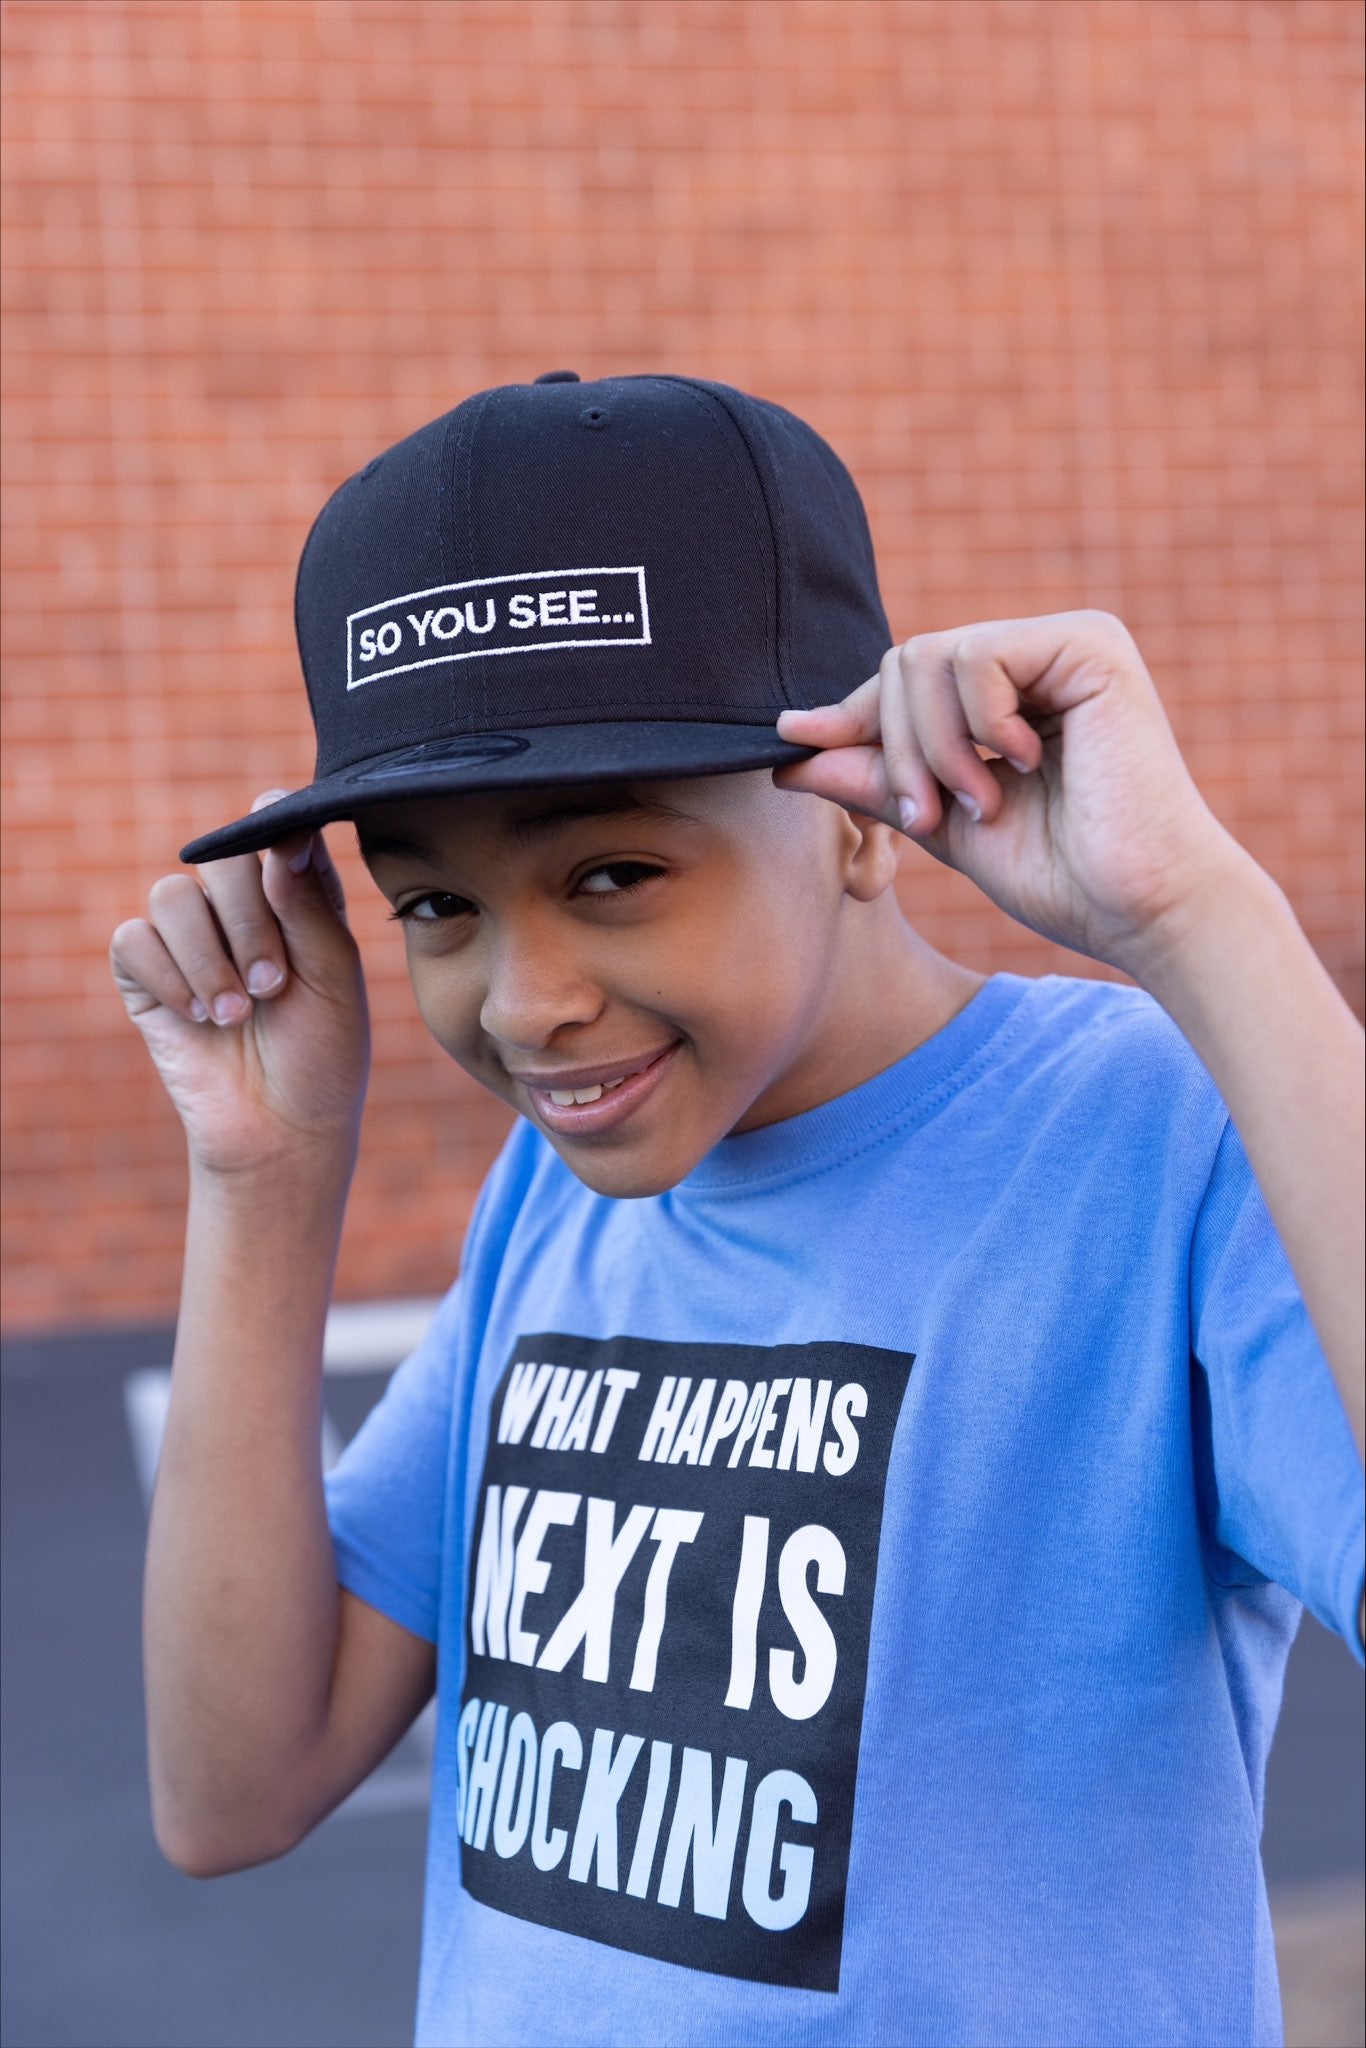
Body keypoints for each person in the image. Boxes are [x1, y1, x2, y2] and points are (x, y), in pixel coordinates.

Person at [109, 374, 1363, 2048]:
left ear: (851, 822)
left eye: (610, 874)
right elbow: (231, 1787)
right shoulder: (560, 1199)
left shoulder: (1142, 1132)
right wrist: (261, 1182)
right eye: (433, 904)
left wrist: (1198, 915)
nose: (523, 1000)